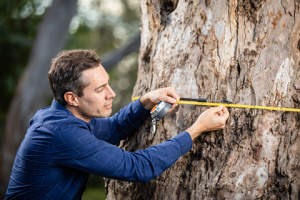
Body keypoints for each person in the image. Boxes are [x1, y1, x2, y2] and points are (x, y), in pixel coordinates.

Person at [5, 49, 229, 199]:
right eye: (100, 89)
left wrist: (144, 102)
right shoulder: (61, 133)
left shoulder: (63, 118)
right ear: (72, 98)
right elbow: (137, 167)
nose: (111, 94)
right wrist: (197, 129)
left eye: (107, 84)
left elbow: (114, 129)